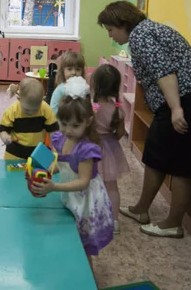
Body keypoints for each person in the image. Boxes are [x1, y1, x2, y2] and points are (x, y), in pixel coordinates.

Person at [97, 0, 191, 238]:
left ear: (123, 24)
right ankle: (141, 209)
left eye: (111, 29)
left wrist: (176, 109)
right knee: (155, 152)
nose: (111, 35)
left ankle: (173, 223)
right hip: (178, 100)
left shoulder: (142, 35)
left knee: (184, 163)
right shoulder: (145, 32)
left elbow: (165, 73)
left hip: (188, 100)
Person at [32, 76, 114, 268]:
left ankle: (85, 276)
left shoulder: (86, 150)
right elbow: (57, 156)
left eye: (75, 125)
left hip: (85, 199)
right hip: (70, 195)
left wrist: (54, 187)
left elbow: (83, 182)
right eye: (63, 123)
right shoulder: (60, 137)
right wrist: (50, 165)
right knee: (70, 236)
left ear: (88, 121)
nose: (68, 130)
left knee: (82, 245)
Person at [91, 64, 130, 235]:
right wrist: (110, 140)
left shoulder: (91, 107)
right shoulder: (118, 110)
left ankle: (91, 217)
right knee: (111, 187)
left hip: (91, 149)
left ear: (95, 84)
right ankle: (114, 221)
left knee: (89, 184)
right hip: (109, 149)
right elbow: (120, 133)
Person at [0, 78, 59, 160]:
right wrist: (5, 137)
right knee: (12, 173)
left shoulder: (45, 109)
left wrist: (54, 149)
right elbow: (3, 130)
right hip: (14, 155)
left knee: (42, 172)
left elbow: (53, 132)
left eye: (36, 109)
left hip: (38, 154)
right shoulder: (12, 111)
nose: (31, 112)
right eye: (27, 110)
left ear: (41, 101)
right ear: (19, 99)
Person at [49, 51, 86, 115]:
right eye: (69, 69)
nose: (74, 72)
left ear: (82, 72)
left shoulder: (84, 88)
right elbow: (53, 109)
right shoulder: (60, 90)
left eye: (78, 69)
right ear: (63, 71)